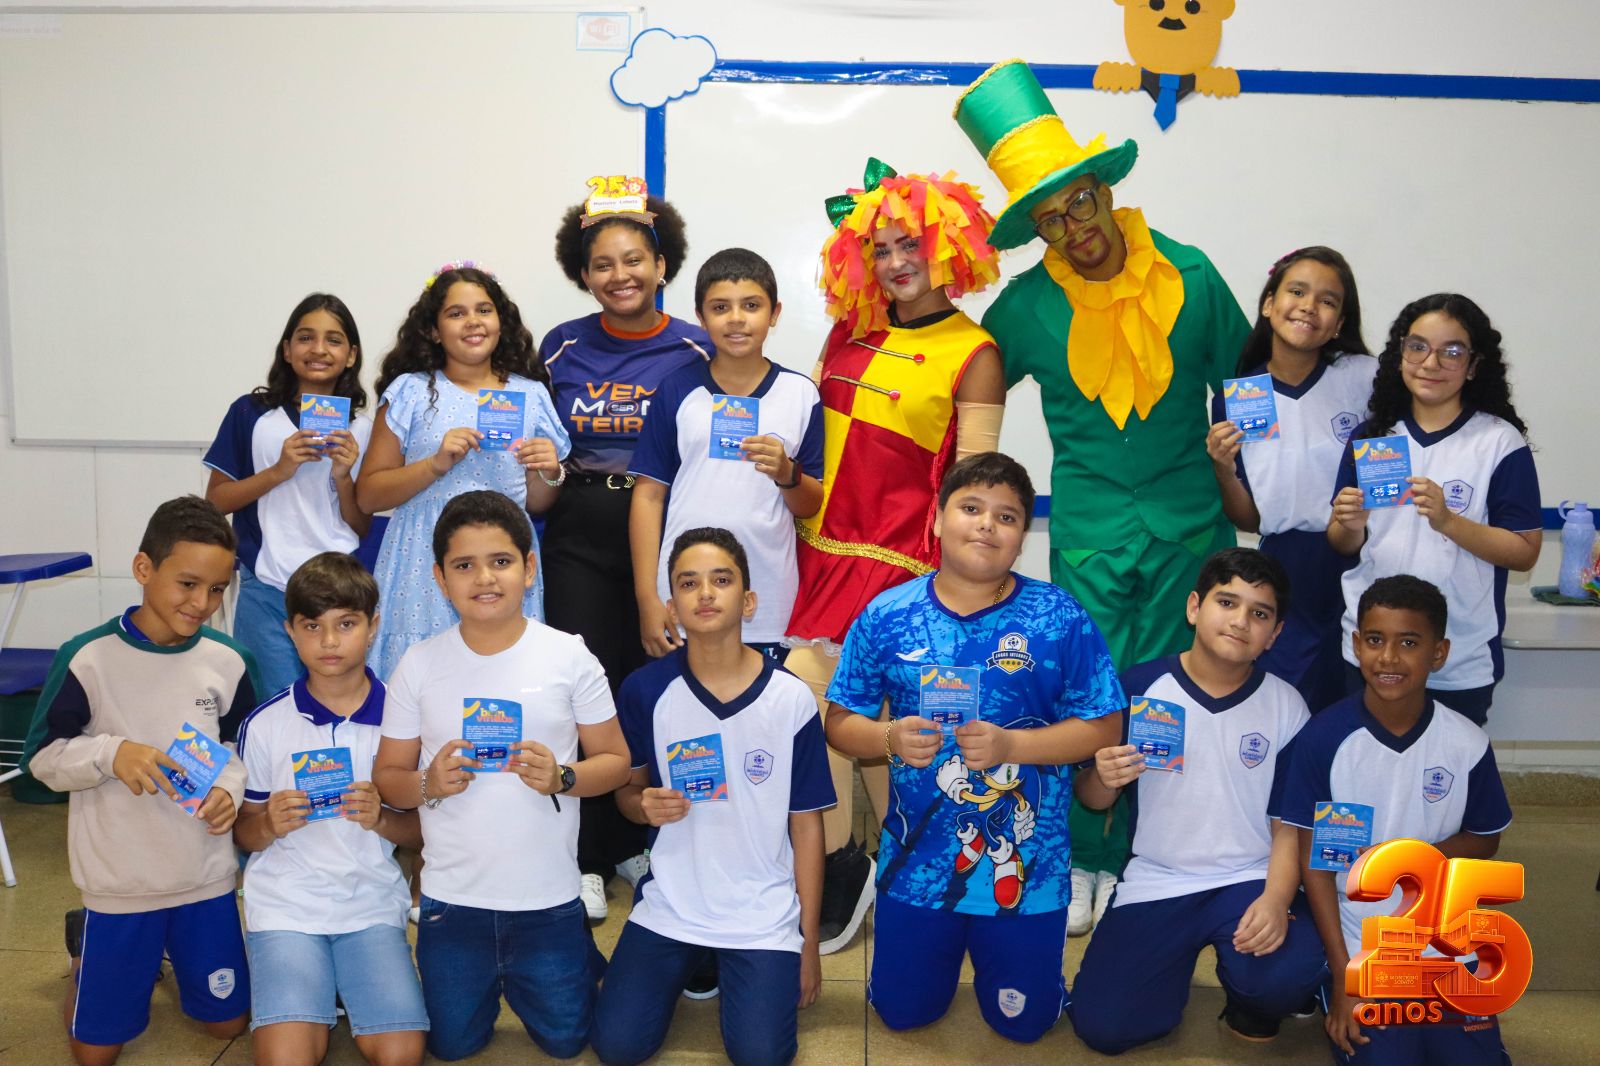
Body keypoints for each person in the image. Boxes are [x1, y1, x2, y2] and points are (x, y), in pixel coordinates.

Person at [957, 58, 1250, 907]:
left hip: (1191, 532)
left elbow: (1254, 390)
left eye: (1079, 202)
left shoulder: (1190, 277)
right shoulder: (1025, 307)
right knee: (1088, 696)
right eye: (1050, 220)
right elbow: (965, 373)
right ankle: (1085, 857)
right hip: (1089, 539)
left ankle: (1156, 854)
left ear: (1104, 190)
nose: (1073, 228)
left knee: (1175, 694)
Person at [824, 453, 1123, 1043]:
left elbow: (1105, 726)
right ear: (937, 521)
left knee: (1023, 1025)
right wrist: (887, 737)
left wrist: (1014, 744)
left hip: (1029, 865)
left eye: (1007, 516)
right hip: (916, 866)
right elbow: (839, 723)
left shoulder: (1059, 617)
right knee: (903, 1014)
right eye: (970, 508)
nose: (987, 524)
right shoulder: (887, 615)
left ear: (1021, 537)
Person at [785, 158, 1006, 954]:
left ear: (948, 247)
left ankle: (885, 860)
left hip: (903, 565)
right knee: (825, 713)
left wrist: (958, 588)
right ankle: (862, 859)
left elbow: (974, 485)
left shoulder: (974, 351)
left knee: (869, 719)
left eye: (910, 244)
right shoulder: (846, 334)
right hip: (818, 555)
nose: (896, 262)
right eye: (879, 249)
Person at [372, 490, 630, 1061]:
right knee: (451, 1046)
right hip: (451, 905)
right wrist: (428, 783)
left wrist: (563, 777)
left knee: (567, 1043)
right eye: (464, 565)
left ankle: (578, 958)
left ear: (529, 568)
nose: (485, 578)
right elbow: (388, 778)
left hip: (548, 902)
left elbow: (614, 762)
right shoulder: (419, 663)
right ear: (440, 579)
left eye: (501, 561)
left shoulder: (569, 656)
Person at [21, 496, 259, 1066]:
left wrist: (228, 790)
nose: (202, 603)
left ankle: (166, 954)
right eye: (187, 584)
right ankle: (87, 953)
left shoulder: (229, 660)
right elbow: (43, 761)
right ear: (143, 568)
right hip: (120, 882)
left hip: (204, 877)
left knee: (227, 1024)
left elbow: (242, 749)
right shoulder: (87, 658)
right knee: (95, 1055)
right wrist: (110, 753)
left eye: (217, 589)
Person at [592, 528, 833, 1066]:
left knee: (761, 1056)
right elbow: (629, 793)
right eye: (688, 583)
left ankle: (726, 963)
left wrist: (808, 940)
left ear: (748, 600)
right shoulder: (645, 690)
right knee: (617, 1047)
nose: (705, 593)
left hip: (761, 910)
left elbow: (806, 823)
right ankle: (693, 960)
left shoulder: (790, 698)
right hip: (672, 903)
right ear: (672, 606)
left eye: (721, 580)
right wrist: (643, 805)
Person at [1069, 548, 1325, 1052]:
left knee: (1285, 978)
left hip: (1249, 878)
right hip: (1158, 878)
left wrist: (1276, 900)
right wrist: (1104, 777)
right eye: (1227, 602)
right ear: (1193, 607)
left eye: (1259, 613)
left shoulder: (1287, 705)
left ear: (1275, 634)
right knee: (1105, 1028)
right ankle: (1166, 972)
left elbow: (1289, 824)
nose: (1240, 621)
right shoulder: (1139, 686)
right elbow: (1092, 799)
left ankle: (1251, 998)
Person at [542, 178, 711, 920]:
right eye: (603, 264)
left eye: (635, 259)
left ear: (662, 264)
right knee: (586, 688)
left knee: (650, 687)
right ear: (584, 274)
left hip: (667, 529)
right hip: (579, 531)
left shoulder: (698, 345)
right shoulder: (562, 346)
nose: (621, 275)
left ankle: (637, 839)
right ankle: (585, 854)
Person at [1281, 575, 1513, 1064]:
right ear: (1355, 645)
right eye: (1375, 640)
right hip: (1359, 938)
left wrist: (1409, 859)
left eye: (1408, 643)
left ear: (1438, 653)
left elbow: (1485, 838)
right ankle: (1326, 984)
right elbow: (1317, 867)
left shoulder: (1467, 743)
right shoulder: (1324, 740)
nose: (1388, 658)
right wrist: (1345, 977)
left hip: (1444, 937)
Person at [233, 552, 427, 1066]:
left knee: (401, 1054)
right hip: (287, 907)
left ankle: (339, 983)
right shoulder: (265, 724)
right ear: (290, 632)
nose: (329, 641)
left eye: (346, 624)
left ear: (373, 626)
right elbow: (243, 833)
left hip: (370, 906)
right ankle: (315, 984)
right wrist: (268, 823)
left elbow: (424, 832)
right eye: (312, 626)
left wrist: (382, 819)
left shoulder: (403, 721)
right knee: (287, 1059)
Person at [1328, 294, 1541, 724]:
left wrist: (1448, 522)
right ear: (1400, 354)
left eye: (1452, 352)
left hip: (1457, 658)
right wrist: (1348, 523)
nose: (1431, 363)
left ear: (1474, 365)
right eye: (1418, 347)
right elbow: (1343, 544)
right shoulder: (1373, 436)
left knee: (1445, 766)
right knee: (1367, 759)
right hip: (1372, 651)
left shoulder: (1498, 443)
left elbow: (1524, 551)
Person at [358, 262, 571, 680]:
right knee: (420, 678)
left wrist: (549, 471)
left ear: (501, 322)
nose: (473, 321)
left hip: (502, 558)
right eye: (456, 313)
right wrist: (434, 464)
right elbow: (368, 495)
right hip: (422, 557)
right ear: (434, 330)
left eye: (484, 310)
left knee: (501, 678)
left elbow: (536, 501)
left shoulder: (530, 394)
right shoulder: (411, 391)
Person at [631, 247, 823, 662]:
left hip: (768, 600)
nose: (736, 319)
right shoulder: (677, 389)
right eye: (720, 307)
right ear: (701, 318)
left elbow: (810, 505)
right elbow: (648, 495)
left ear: (774, 313)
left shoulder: (801, 394)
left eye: (751, 306)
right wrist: (648, 597)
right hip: (682, 598)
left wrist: (787, 473)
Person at [1206, 248, 1374, 711]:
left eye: (1328, 300)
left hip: (1364, 559)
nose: (1308, 306)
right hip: (1285, 569)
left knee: (1357, 699)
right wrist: (1222, 469)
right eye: (1297, 291)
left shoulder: (1364, 379)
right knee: (1285, 705)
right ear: (1269, 304)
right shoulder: (1242, 396)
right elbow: (1250, 518)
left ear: (1339, 323)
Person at [204, 293, 373, 695]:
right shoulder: (250, 413)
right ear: (286, 349)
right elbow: (215, 503)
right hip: (268, 587)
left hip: (339, 588)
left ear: (351, 355)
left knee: (335, 701)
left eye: (333, 340)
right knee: (273, 705)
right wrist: (278, 471)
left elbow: (360, 525)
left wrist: (343, 477)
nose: (318, 349)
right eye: (305, 338)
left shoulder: (362, 428)